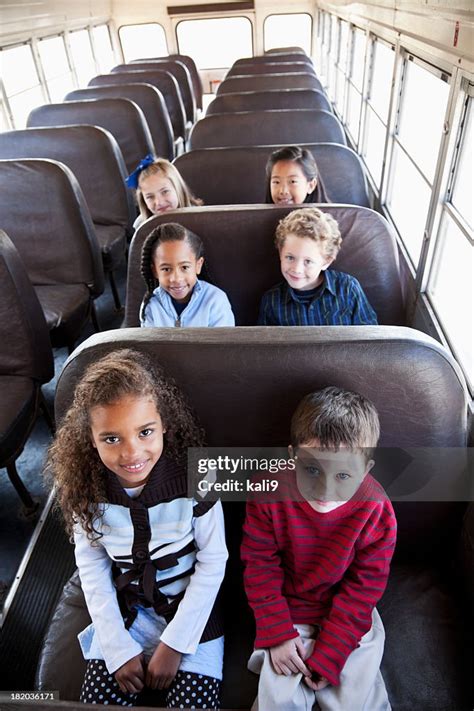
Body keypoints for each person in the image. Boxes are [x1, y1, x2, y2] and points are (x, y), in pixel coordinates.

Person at [47, 349, 228, 708]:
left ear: (165, 426)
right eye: (111, 439)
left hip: (193, 612)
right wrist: (115, 647)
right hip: (127, 611)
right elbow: (92, 568)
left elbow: (214, 560)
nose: (132, 453)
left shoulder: (202, 475)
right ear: (92, 440)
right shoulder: (86, 489)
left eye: (145, 432)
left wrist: (175, 644)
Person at [241, 386, 397, 711]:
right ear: (291, 456)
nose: (325, 489)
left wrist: (332, 651)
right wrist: (279, 633)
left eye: (343, 475)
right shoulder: (267, 491)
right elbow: (260, 568)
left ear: (366, 469)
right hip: (287, 609)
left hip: (348, 615)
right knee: (277, 700)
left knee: (355, 699)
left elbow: (363, 589)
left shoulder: (376, 510)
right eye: (312, 469)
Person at [257, 207, 378, 325]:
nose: (297, 269)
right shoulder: (271, 301)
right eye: (290, 258)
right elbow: (266, 344)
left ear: (326, 262)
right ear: (280, 253)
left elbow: (370, 338)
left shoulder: (348, 289)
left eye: (308, 261)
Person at [140, 222, 235, 327]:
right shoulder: (151, 304)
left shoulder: (216, 301)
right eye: (166, 269)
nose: (176, 278)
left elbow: (223, 342)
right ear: (155, 271)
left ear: (198, 266)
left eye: (184, 267)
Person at [126, 154, 203, 229]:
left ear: (178, 189)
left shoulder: (199, 218)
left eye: (165, 192)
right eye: (150, 197)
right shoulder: (140, 225)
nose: (159, 202)